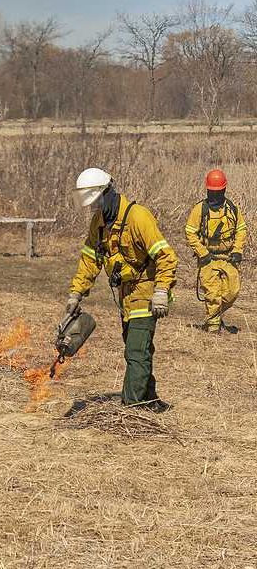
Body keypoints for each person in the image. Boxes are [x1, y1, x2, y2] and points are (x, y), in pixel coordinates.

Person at [66, 168, 178, 413]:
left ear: (107, 193)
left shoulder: (138, 217)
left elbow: (167, 256)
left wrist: (161, 291)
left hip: (146, 292)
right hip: (126, 295)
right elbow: (90, 260)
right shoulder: (100, 222)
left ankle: (133, 408)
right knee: (138, 346)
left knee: (136, 349)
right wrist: (76, 293)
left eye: (95, 202)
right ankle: (150, 399)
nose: (93, 208)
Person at [185, 169, 247, 333]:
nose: (215, 195)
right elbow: (190, 231)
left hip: (228, 257)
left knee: (232, 292)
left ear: (224, 190)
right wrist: (202, 252)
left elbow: (241, 229)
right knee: (212, 293)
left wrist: (237, 250)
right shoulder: (200, 209)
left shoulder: (232, 209)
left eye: (218, 192)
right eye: (212, 192)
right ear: (207, 191)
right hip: (208, 258)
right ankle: (213, 329)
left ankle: (215, 317)